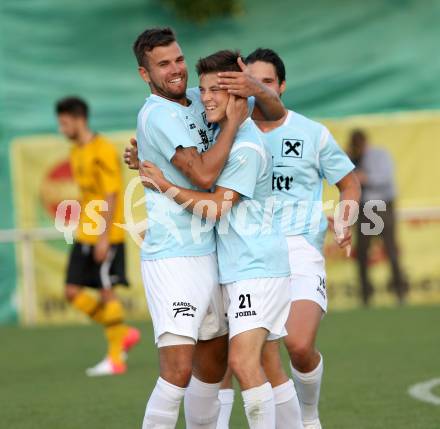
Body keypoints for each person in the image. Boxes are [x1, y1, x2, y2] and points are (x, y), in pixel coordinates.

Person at [131, 28, 285, 428]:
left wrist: (251, 85)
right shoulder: (158, 114)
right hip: (175, 255)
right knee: (179, 369)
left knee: (214, 366)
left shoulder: (202, 99)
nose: (175, 70)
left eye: (178, 59)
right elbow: (202, 176)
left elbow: (259, 105)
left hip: (216, 256)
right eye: (163, 64)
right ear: (144, 74)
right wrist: (152, 161)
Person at [215, 49, 361, 429]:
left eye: (265, 82)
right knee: (263, 357)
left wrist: (345, 221)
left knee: (298, 345)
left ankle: (309, 413)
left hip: (299, 249)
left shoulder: (312, 133)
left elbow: (349, 184)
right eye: (250, 81)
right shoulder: (230, 130)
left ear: (281, 86)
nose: (256, 89)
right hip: (250, 253)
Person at [55, 96, 140, 377]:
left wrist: (104, 237)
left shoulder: (102, 149)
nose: (62, 128)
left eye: (65, 123)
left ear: (79, 119)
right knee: (71, 291)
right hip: (85, 233)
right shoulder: (76, 151)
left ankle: (116, 358)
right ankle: (122, 332)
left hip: (106, 234)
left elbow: (111, 194)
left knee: (106, 292)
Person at [348, 129, 407, 305]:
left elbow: (386, 178)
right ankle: (366, 296)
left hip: (382, 205)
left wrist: (366, 177)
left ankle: (400, 294)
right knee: (363, 253)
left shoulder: (379, 155)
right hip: (366, 208)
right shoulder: (350, 158)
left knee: (390, 250)